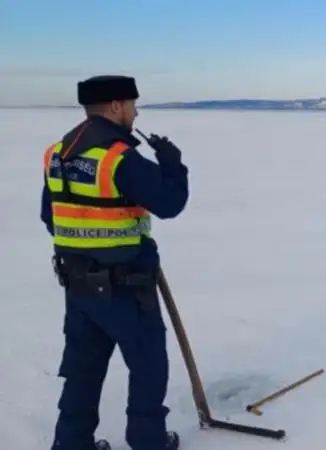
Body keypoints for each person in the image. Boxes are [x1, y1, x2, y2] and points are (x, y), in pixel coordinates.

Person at [40, 75, 189, 450]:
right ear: (116, 106)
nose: (136, 112)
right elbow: (169, 204)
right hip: (127, 288)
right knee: (148, 366)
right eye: (133, 105)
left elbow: (51, 216)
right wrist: (173, 166)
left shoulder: (59, 153)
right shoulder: (118, 157)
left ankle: (72, 443)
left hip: (78, 287)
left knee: (83, 368)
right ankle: (148, 441)